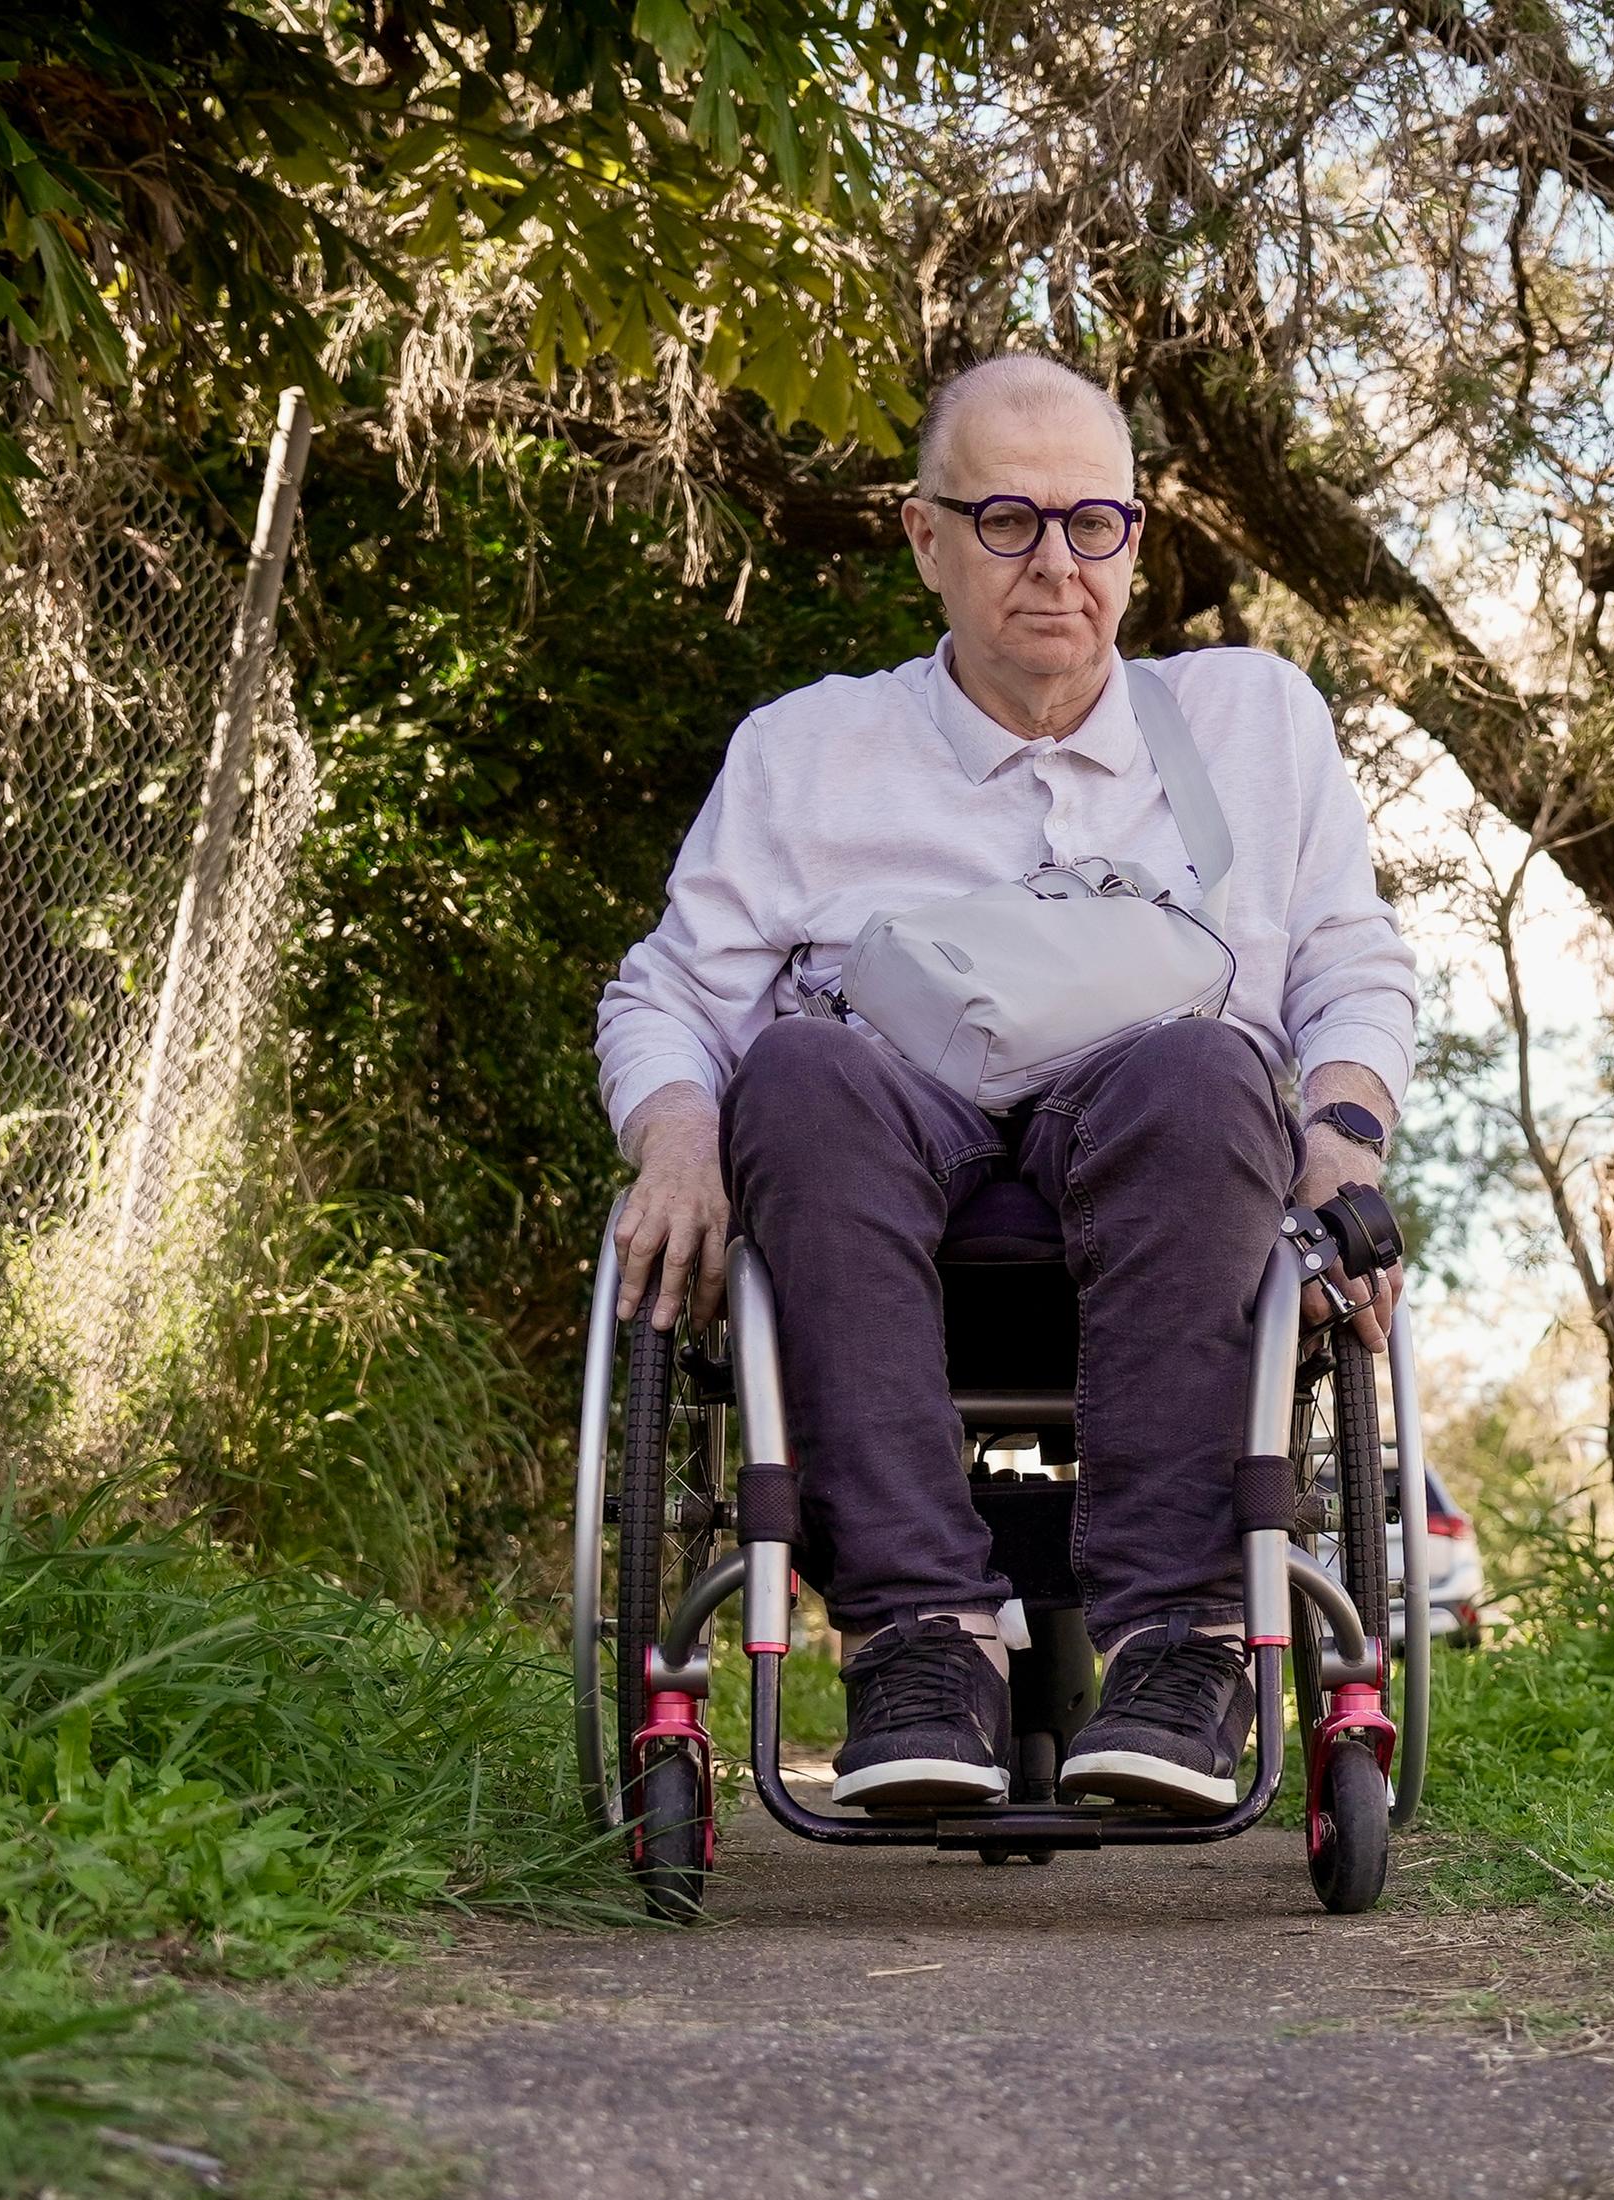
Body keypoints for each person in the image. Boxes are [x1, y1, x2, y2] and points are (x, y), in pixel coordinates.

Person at [595, 353, 1416, 1817]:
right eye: (1007, 521)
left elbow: (1350, 966)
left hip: (1164, 1149)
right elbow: (667, 990)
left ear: (1137, 541)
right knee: (790, 1067)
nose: (1056, 564)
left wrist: (1346, 1138)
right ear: (924, 536)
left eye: (1092, 523)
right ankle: (922, 1641)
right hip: (880, 1147)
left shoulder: (1253, 724)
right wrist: (673, 1144)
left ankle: (1184, 1643)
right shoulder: (810, 751)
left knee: (1207, 1064)